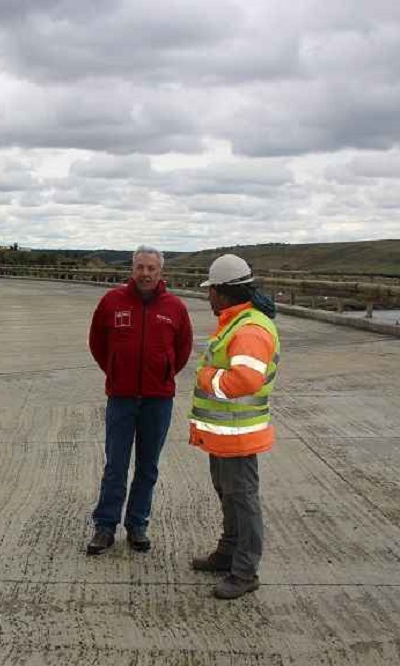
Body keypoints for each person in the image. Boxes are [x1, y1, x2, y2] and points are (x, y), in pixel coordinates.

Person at [86, 245, 193, 555]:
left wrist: (163, 373)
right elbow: (97, 343)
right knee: (115, 465)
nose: (145, 274)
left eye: (151, 269)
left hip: (158, 400)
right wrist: (116, 371)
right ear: (132, 270)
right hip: (121, 398)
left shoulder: (175, 308)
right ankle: (105, 526)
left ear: (160, 272)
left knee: (148, 467)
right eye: (140, 268)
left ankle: (137, 524)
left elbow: (183, 349)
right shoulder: (112, 302)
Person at [188, 254, 280, 600]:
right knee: (228, 496)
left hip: (240, 435)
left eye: (211, 290)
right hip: (225, 435)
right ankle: (228, 553)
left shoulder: (250, 329)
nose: (208, 296)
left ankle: (244, 572)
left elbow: (246, 379)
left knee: (243, 500)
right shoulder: (235, 321)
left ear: (225, 292)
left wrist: (207, 377)